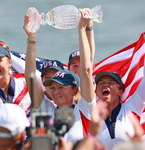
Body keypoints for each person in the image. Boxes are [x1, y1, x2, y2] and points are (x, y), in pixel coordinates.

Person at [23, 7, 96, 145]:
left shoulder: (85, 109)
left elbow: (86, 70)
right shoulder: (46, 108)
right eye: (52, 87)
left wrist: (81, 29)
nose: (55, 91)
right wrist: (31, 39)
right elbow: (30, 76)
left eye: (61, 87)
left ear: (74, 90)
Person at [93, 30, 145, 150]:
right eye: (101, 83)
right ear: (96, 92)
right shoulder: (92, 116)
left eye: (111, 83)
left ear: (121, 91)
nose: (105, 85)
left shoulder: (132, 107)